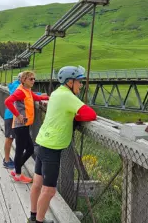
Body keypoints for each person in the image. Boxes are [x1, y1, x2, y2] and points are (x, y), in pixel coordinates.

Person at [28, 66, 97, 223]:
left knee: (37, 183)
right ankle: (38, 221)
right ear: (70, 82)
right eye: (79, 81)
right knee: (50, 190)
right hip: (52, 146)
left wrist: (73, 115)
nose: (81, 85)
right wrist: (77, 116)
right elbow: (91, 114)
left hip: (42, 141)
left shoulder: (57, 93)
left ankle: (33, 216)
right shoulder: (67, 96)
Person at [4, 71, 49, 184]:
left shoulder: (27, 90)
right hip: (20, 126)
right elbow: (7, 102)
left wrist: (49, 97)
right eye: (31, 79)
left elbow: (37, 97)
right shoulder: (20, 92)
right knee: (20, 150)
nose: (33, 81)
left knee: (29, 149)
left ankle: (16, 169)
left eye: (34, 79)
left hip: (25, 125)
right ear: (24, 80)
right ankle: (18, 174)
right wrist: (18, 115)